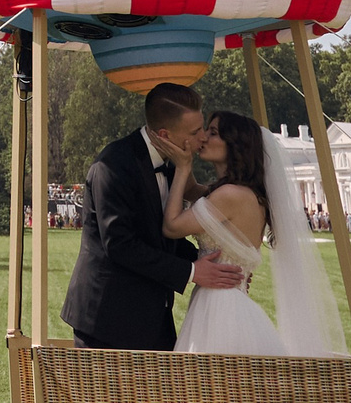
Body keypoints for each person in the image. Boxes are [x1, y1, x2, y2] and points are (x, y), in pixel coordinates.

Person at [59, 83, 246, 350]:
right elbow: (121, 245)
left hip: (153, 315)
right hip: (107, 318)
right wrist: (193, 272)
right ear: (165, 135)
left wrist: (213, 262)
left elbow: (159, 234)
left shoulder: (175, 162)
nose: (203, 137)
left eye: (203, 127)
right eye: (195, 132)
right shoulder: (112, 165)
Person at [163, 112, 348, 358]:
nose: (204, 137)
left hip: (219, 308)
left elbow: (172, 227)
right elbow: (192, 190)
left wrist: (184, 166)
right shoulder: (243, 194)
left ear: (236, 145)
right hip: (229, 301)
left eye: (214, 133)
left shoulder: (229, 196)